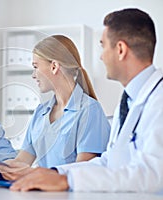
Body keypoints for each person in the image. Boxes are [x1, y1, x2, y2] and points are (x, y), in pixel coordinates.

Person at [9, 8, 163, 193]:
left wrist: (68, 180)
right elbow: (109, 162)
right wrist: (56, 173)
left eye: (103, 46)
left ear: (120, 49)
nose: (101, 56)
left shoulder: (158, 100)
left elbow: (153, 175)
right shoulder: (129, 100)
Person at [0, 35, 110, 180]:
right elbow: (22, 162)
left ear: (54, 67)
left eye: (36, 67)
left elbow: (83, 170)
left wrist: (36, 174)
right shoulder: (40, 112)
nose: (33, 75)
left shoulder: (90, 110)